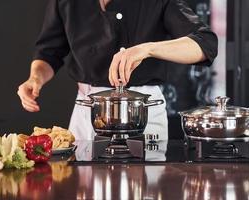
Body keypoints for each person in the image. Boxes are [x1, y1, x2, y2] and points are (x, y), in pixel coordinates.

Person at [17, 0, 218, 140]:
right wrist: (36, 78)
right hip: (86, 111)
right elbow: (49, 52)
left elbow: (205, 44)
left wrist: (147, 49)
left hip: (142, 112)